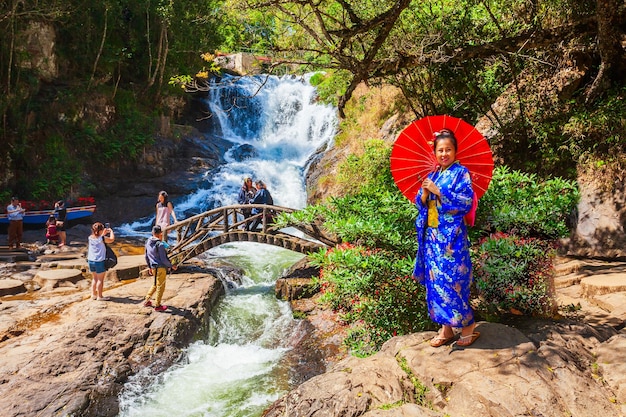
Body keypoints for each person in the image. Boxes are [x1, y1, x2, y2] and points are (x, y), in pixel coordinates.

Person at [412, 129, 479, 348]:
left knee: (452, 281)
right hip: (432, 237)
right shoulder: (433, 175)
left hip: (452, 238)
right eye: (440, 150)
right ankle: (446, 328)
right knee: (435, 282)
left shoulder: (461, 173)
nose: (444, 154)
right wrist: (423, 195)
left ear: (455, 151)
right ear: (434, 152)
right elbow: (421, 205)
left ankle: (468, 325)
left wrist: (439, 192)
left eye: (448, 149)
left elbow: (465, 201)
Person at [143, 225, 177, 312]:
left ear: (152, 232)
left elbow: (146, 256)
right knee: (160, 286)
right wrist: (171, 266)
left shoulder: (147, 242)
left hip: (153, 267)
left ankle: (147, 300)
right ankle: (157, 305)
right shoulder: (160, 244)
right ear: (160, 234)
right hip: (160, 267)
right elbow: (163, 259)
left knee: (155, 284)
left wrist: (149, 267)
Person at [87, 222, 115, 301]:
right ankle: (100, 296)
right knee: (100, 280)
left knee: (94, 278)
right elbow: (111, 239)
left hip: (91, 260)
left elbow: (98, 237)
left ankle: (93, 295)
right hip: (99, 261)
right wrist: (111, 231)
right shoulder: (102, 239)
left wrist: (103, 233)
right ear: (101, 230)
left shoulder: (90, 237)